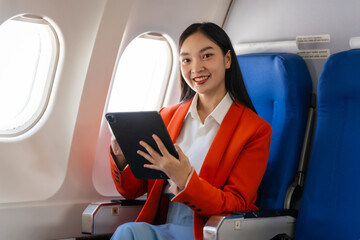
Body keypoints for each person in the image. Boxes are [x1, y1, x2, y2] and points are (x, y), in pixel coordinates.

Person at [109, 22, 272, 240]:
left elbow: (236, 204)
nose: (196, 68)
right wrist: (122, 159)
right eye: (186, 60)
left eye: (206, 56)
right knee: (127, 231)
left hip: (209, 230)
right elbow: (132, 190)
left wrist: (185, 179)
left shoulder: (255, 130)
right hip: (166, 225)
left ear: (227, 59)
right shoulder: (167, 116)